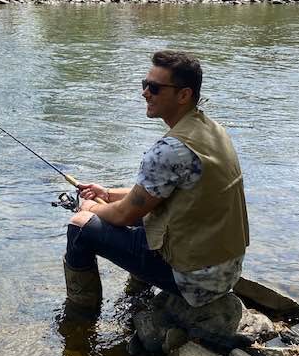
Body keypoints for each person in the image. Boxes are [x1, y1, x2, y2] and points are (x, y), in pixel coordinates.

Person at [63, 50, 249, 314]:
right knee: (143, 217)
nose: (145, 93)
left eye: (154, 87)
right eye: (144, 84)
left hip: (196, 282)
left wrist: (89, 209)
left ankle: (80, 317)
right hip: (226, 269)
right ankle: (136, 295)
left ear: (183, 95)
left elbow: (126, 214)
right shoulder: (211, 130)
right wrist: (106, 192)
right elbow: (158, 193)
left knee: (80, 226)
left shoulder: (169, 150)